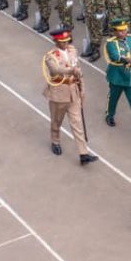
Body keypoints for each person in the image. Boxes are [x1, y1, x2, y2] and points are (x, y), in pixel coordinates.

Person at [42, 27, 97, 165]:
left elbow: (79, 71)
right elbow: (55, 70)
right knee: (57, 121)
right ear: (56, 41)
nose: (65, 44)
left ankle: (83, 153)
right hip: (59, 93)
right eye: (62, 41)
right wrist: (71, 70)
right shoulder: (51, 56)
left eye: (67, 41)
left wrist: (82, 88)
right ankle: (55, 140)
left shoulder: (72, 52)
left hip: (73, 91)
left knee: (77, 123)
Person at [104, 17, 131, 127]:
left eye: (125, 30)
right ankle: (110, 115)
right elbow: (114, 56)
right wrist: (127, 60)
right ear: (115, 31)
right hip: (117, 77)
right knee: (113, 99)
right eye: (120, 31)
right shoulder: (111, 43)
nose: (123, 32)